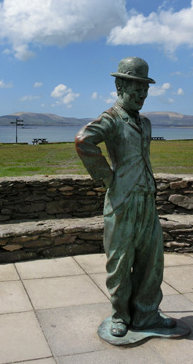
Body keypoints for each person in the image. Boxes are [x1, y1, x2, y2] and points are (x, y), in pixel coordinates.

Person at [75, 57, 175, 338]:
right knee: (119, 261)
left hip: (147, 199)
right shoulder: (112, 119)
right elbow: (83, 140)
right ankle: (120, 315)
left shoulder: (146, 123)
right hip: (123, 201)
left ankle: (146, 314)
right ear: (119, 86)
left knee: (151, 262)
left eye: (145, 89)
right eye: (136, 89)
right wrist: (108, 178)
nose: (142, 94)